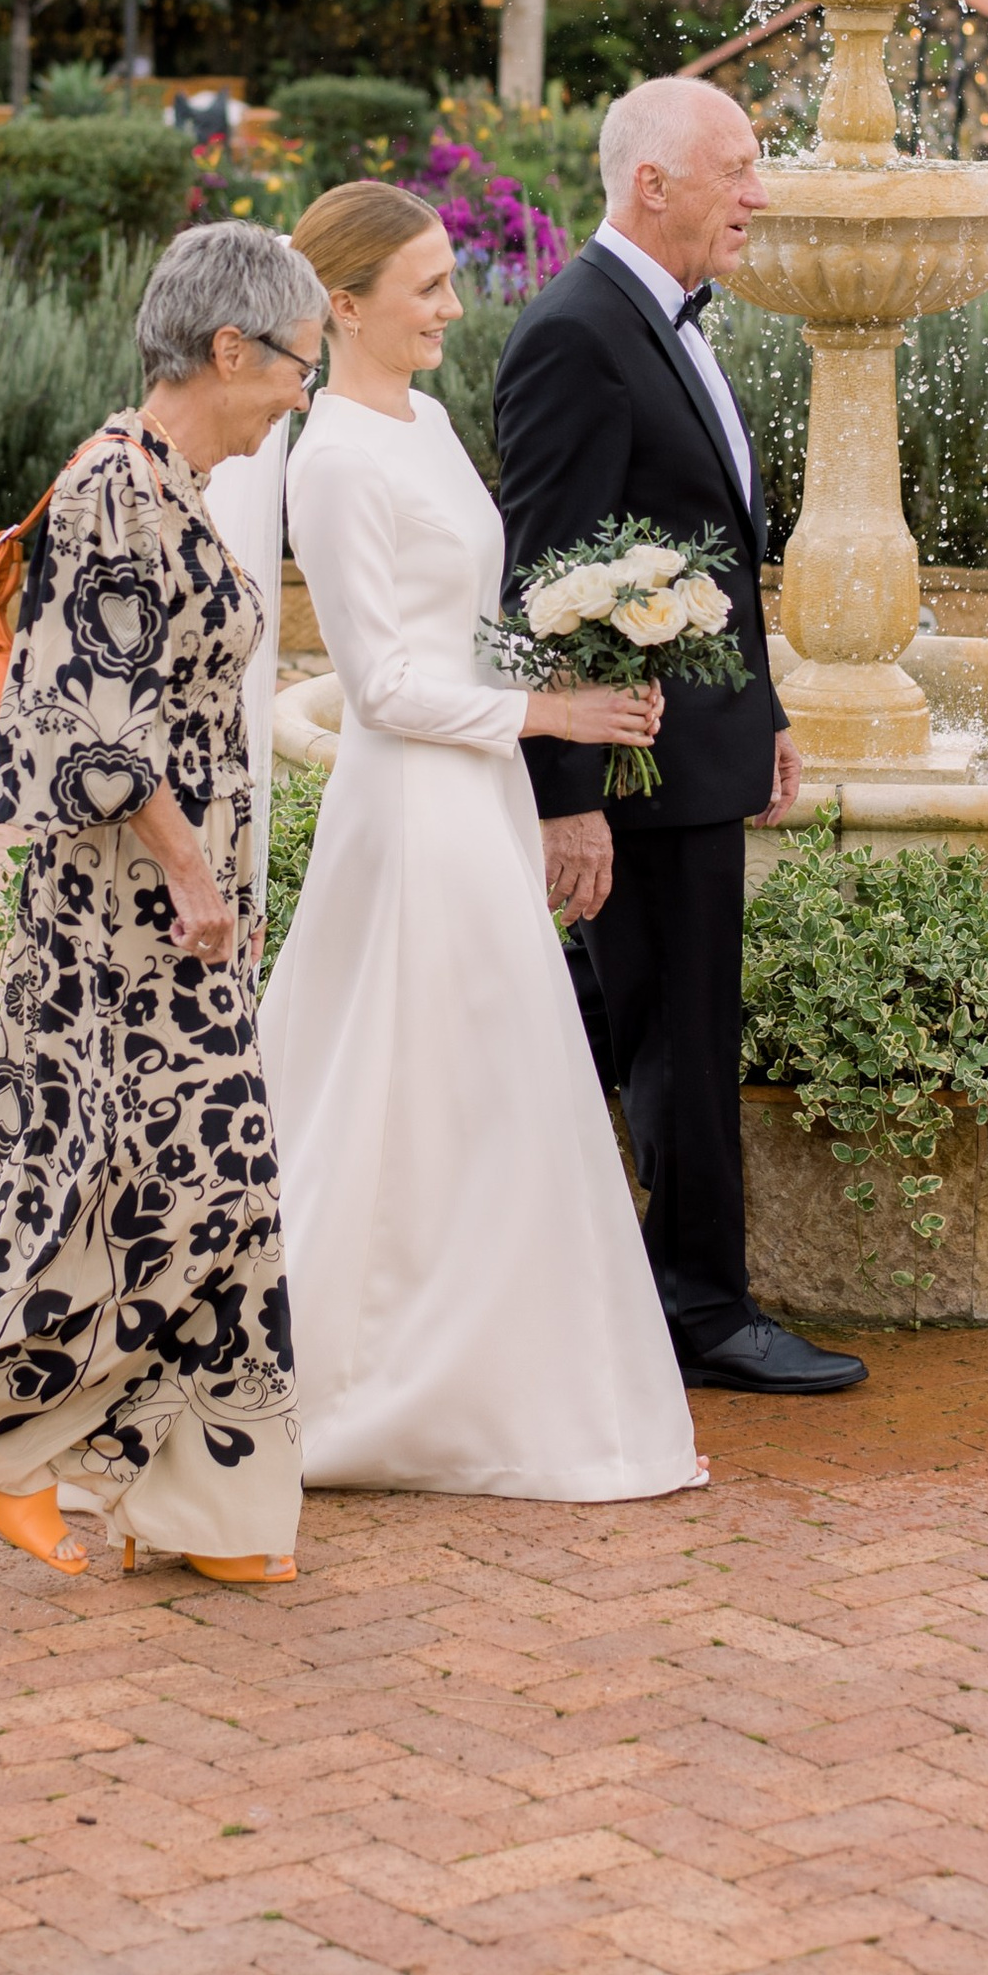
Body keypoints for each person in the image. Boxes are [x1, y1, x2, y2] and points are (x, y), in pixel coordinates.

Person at [0, 221, 327, 1587]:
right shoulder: (119, 488)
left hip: (179, 923)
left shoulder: (169, 482)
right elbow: (86, 732)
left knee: (221, 1201)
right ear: (231, 348)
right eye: (296, 362)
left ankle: (211, 1512)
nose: (302, 390)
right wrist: (188, 869)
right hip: (127, 931)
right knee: (145, 1194)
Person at [259, 181, 703, 1500]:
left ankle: (493, 1360)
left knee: (484, 1088)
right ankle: (359, 1376)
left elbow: (471, 614)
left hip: (484, 795)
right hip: (414, 807)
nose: (456, 305)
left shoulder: (433, 420)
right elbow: (384, 685)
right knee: (432, 1084)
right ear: (343, 305)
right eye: (429, 287)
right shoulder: (330, 458)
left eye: (451, 277)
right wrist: (550, 708)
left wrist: (599, 633)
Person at [494, 81, 867, 1400]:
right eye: (740, 168)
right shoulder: (575, 336)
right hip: (628, 772)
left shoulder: (664, 321)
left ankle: (556, 1260)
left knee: (655, 1030)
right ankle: (702, 1309)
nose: (760, 193)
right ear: (652, 182)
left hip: (694, 753)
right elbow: (537, 584)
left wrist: (758, 721)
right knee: (678, 1046)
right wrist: (567, 798)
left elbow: (716, 562)